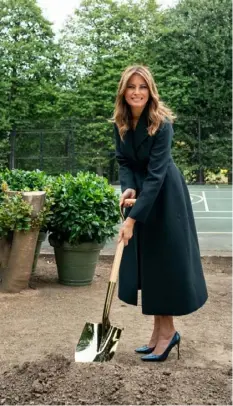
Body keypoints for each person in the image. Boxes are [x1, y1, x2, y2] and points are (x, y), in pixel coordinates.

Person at [113, 65, 208, 362]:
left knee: (163, 264)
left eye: (142, 87)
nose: (137, 92)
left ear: (150, 90)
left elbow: (156, 176)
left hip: (164, 197)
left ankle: (167, 335)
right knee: (150, 265)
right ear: (124, 91)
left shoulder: (161, 123)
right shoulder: (120, 122)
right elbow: (124, 161)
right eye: (132, 87)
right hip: (142, 195)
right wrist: (128, 189)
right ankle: (158, 334)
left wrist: (130, 220)